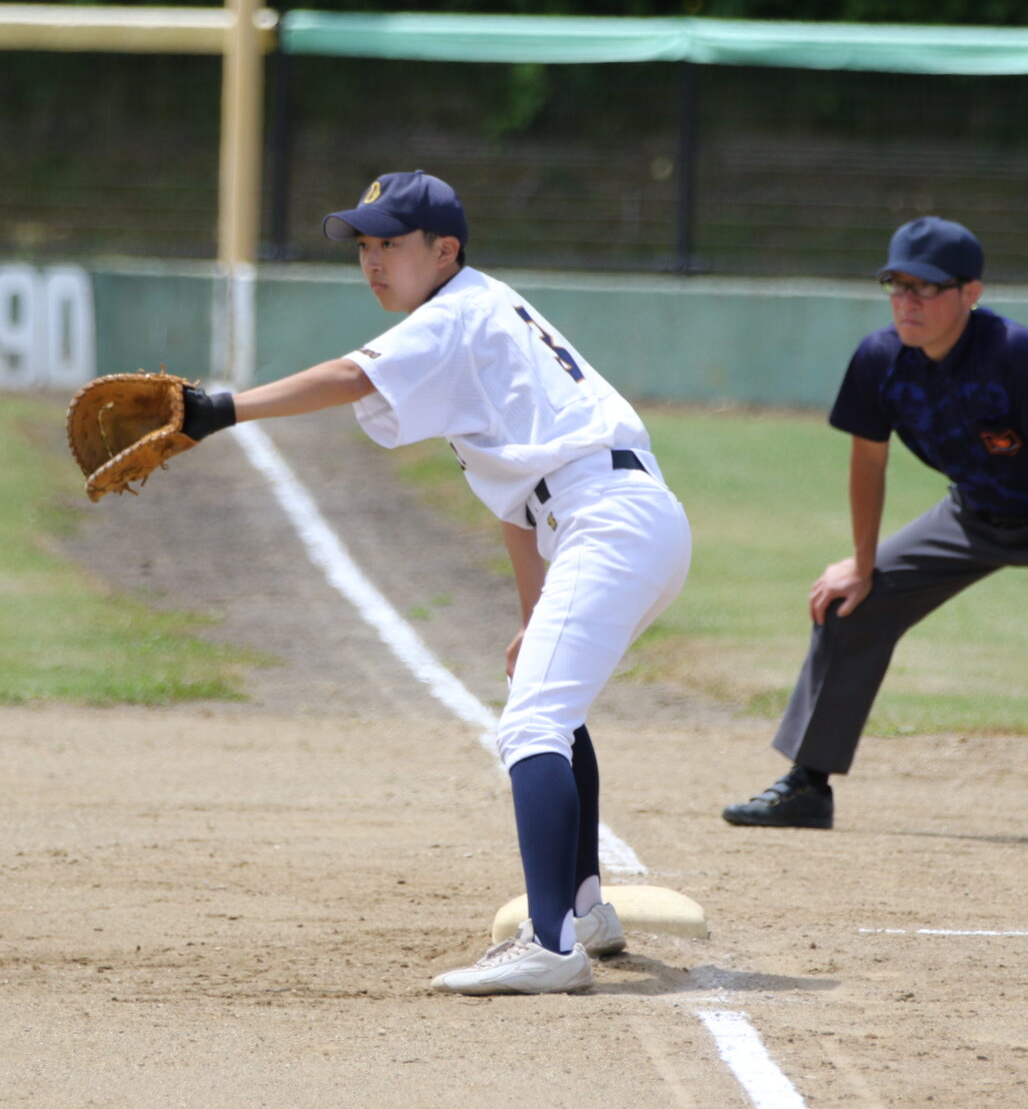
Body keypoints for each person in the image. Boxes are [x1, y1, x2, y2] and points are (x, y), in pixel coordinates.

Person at [176, 170, 692, 993]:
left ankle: (550, 944)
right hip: (615, 515)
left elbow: (350, 377)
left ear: (443, 250)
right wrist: (533, 616)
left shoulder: (454, 314)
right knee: (550, 699)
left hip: (609, 519)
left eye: (392, 243)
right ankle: (586, 909)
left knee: (530, 729)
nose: (373, 260)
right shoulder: (476, 317)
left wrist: (220, 410)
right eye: (365, 245)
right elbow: (518, 501)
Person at [721, 217, 1028, 852]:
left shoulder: (1015, 354)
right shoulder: (879, 361)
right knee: (848, 603)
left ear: (969, 292)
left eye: (925, 287)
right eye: (896, 285)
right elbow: (869, 464)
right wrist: (862, 566)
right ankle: (808, 786)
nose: (907, 301)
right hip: (973, 515)